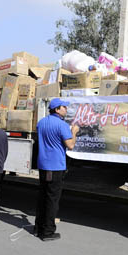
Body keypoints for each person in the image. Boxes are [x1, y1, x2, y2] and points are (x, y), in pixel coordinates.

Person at [35, 98, 79, 241]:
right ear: (57, 109)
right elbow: (70, 145)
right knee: (52, 200)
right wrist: (74, 132)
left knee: (43, 197)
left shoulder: (41, 123)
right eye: (64, 107)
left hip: (43, 165)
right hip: (56, 167)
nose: (66, 109)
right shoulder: (62, 125)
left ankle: (38, 228)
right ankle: (48, 232)